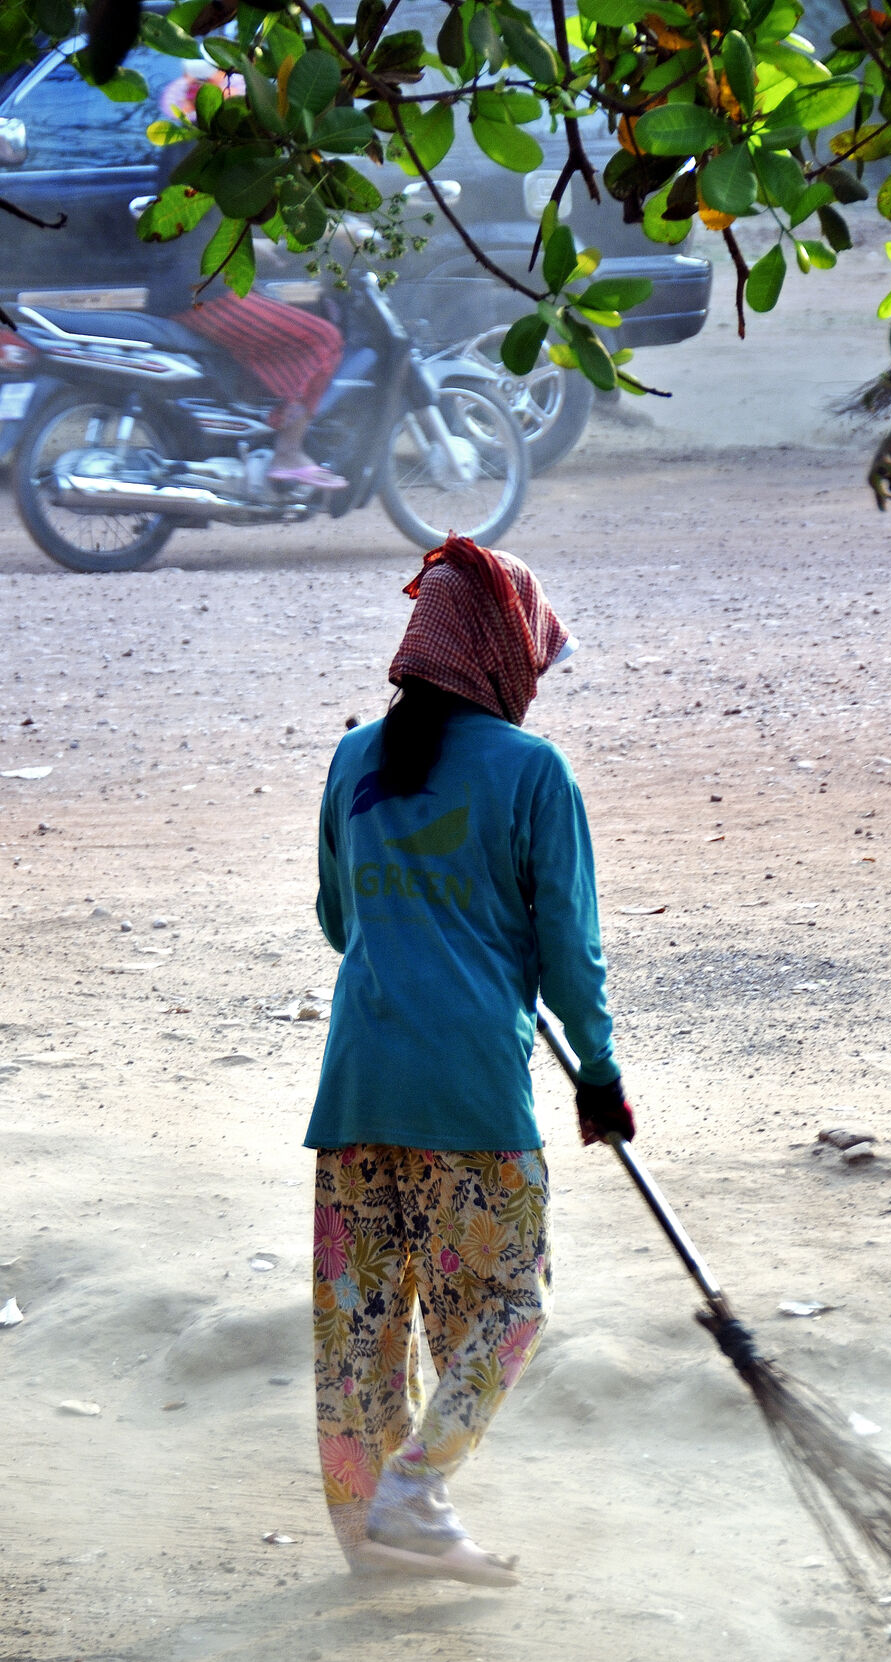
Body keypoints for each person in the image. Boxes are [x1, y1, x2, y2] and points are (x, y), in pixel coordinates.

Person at [303, 537, 632, 1587]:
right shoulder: (533, 771)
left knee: (363, 1328)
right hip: (472, 1091)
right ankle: (416, 1492)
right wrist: (598, 1071)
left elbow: (337, 920)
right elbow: (568, 948)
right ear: (498, 654)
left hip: (357, 1086)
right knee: (506, 1306)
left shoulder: (355, 759)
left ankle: (376, 1537)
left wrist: (425, 921)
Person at [145, 72, 347, 488]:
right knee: (324, 339)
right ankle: (288, 452)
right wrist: (346, 234)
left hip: (178, 288)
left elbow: (214, 217)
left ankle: (257, 433)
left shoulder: (184, 149)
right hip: (206, 295)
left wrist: (255, 245)